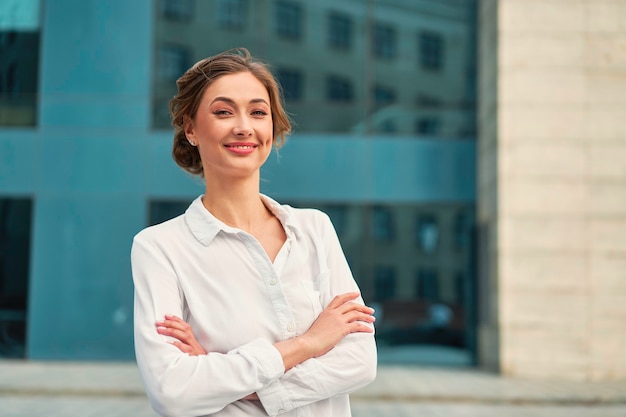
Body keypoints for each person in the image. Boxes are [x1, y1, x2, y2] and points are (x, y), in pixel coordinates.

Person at [131, 48, 377, 417]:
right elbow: (172, 390)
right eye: (223, 111)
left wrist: (232, 383)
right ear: (191, 129)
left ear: (272, 127)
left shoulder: (314, 229)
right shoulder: (160, 247)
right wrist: (309, 343)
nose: (244, 126)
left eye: (258, 112)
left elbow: (359, 360)